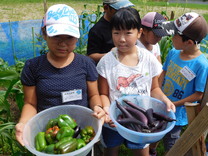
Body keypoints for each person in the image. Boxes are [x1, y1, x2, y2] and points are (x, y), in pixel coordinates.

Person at [15, 4, 105, 147]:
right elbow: (30, 103)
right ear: (44, 34)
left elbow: (94, 95)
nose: (63, 43)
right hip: (49, 132)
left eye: (69, 37)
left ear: (77, 37)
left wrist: (98, 107)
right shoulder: (33, 67)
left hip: (80, 131)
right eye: (56, 36)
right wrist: (23, 123)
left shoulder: (86, 64)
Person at [96, 7, 176, 156]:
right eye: (116, 32)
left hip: (142, 120)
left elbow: (154, 89)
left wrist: (164, 99)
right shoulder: (106, 62)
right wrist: (108, 110)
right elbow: (104, 93)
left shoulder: (149, 59)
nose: (122, 38)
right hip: (114, 122)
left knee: (141, 151)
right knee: (111, 151)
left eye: (128, 33)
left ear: (139, 32)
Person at [159, 12, 208, 153]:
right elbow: (164, 72)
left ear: (189, 42)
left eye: (174, 35)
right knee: (154, 132)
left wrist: (173, 104)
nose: (171, 37)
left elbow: (198, 94)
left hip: (177, 113)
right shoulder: (173, 53)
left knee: (171, 141)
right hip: (161, 102)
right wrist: (158, 94)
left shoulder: (201, 65)